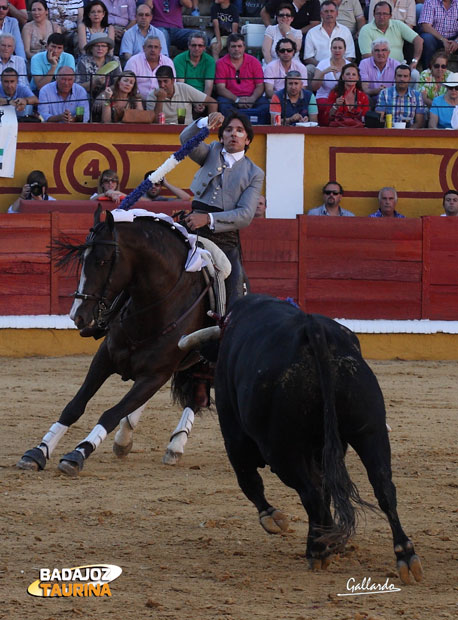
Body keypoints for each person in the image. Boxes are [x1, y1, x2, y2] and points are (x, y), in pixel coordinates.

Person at [181, 111, 264, 308]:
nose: (233, 134)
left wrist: (208, 219)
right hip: (192, 227)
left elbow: (244, 215)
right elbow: (185, 139)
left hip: (224, 239)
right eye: (228, 130)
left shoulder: (254, 173)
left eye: (239, 130)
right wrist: (204, 122)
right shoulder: (211, 151)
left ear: (248, 140)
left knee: (234, 296)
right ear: (221, 136)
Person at [214, 33, 270, 124]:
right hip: (230, 98)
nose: (236, 49)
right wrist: (237, 100)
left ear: (244, 47)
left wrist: (252, 98)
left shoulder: (254, 62)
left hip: (252, 97)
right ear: (228, 48)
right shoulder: (220, 63)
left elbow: (260, 86)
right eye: (233, 46)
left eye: (239, 46)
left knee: (266, 105)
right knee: (223, 105)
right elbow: (220, 89)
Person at [303, 1, 355, 85]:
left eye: (332, 11)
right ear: (321, 14)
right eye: (326, 11)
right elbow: (308, 57)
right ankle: (309, 97)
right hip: (318, 66)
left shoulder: (345, 31)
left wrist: (340, 66)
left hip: (341, 66)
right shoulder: (312, 32)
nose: (329, 14)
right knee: (308, 69)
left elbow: (350, 55)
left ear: (337, 13)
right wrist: (323, 66)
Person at [358, 2, 422, 68]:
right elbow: (367, 56)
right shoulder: (365, 30)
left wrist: (415, 61)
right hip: (376, 68)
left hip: (399, 69)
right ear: (374, 15)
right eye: (378, 14)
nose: (382, 17)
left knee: (415, 75)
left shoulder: (398, 25)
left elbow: (418, 40)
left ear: (390, 16)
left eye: (385, 14)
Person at [146, 65, 217, 124]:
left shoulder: (183, 88)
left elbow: (212, 103)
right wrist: (159, 100)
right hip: (164, 132)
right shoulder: (152, 96)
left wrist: (210, 127)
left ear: (173, 80)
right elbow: (154, 121)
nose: (162, 85)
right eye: (159, 82)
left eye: (165, 81)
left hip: (187, 131)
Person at [76, 35, 120, 120]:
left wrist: (103, 95)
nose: (100, 48)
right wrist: (94, 82)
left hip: (109, 94)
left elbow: (118, 83)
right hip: (88, 95)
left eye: (103, 46)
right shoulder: (83, 62)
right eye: (96, 45)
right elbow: (78, 87)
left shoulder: (114, 61)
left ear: (108, 48)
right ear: (91, 48)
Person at [124, 35, 175, 101]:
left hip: (161, 100)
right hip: (137, 100)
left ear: (160, 50)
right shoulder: (133, 61)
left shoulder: (168, 62)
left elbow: (172, 84)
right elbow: (127, 83)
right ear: (143, 48)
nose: (153, 50)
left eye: (156, 47)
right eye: (150, 47)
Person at [311, 36, 349, 124]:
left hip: (343, 97)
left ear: (344, 50)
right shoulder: (323, 64)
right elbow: (314, 87)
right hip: (324, 96)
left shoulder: (349, 65)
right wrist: (323, 72)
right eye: (334, 48)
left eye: (340, 48)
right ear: (331, 49)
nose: (337, 50)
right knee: (325, 105)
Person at [359, 38, 400, 108]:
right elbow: (364, 89)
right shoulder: (364, 63)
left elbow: (398, 89)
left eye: (384, 50)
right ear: (372, 53)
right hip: (370, 98)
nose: (380, 53)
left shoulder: (396, 64)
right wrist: (377, 91)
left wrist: (385, 92)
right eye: (377, 50)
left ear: (389, 52)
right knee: (363, 97)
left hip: (389, 99)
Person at [418, 0, 458, 69]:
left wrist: (457, 41)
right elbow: (426, 26)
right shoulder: (430, 2)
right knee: (427, 39)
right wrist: (443, 39)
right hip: (436, 37)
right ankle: (428, 73)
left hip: (454, 37)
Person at [326, 62, 369, 127]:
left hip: (357, 129)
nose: (350, 77)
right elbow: (328, 117)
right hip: (338, 129)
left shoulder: (362, 96)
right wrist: (335, 106)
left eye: (354, 74)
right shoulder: (334, 93)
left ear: (357, 78)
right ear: (343, 77)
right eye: (348, 74)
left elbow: (365, 118)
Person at [174, 32, 215, 97]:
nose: (196, 48)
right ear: (189, 46)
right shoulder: (179, 59)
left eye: (200, 46)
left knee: (214, 105)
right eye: (193, 45)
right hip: (184, 96)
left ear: (204, 47)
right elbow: (181, 84)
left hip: (202, 96)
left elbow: (208, 86)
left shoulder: (210, 61)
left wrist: (203, 103)